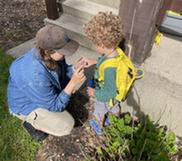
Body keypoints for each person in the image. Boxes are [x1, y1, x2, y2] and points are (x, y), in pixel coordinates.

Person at [7, 25, 86, 141]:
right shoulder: (35, 74)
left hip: (39, 92)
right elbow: (55, 106)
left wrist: (75, 67)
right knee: (66, 125)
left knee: (66, 96)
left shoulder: (50, 56)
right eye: (63, 51)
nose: (65, 54)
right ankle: (31, 123)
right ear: (49, 51)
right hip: (27, 105)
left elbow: (62, 73)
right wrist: (73, 83)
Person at [77, 12, 125, 135]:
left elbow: (110, 92)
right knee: (114, 107)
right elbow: (106, 62)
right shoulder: (116, 52)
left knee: (99, 110)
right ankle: (114, 120)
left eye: (95, 44)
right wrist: (93, 61)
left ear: (101, 44)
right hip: (116, 95)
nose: (95, 46)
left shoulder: (109, 70)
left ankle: (98, 125)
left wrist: (95, 93)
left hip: (105, 95)